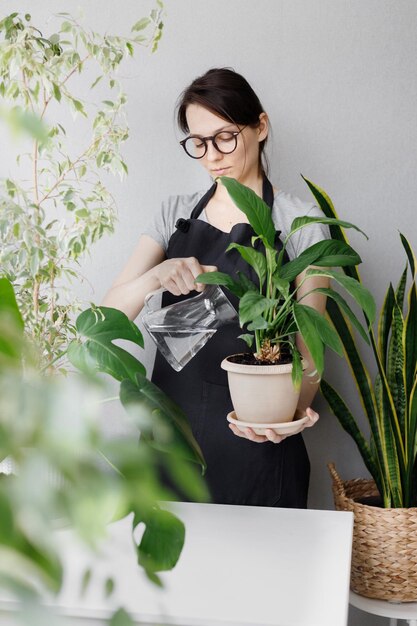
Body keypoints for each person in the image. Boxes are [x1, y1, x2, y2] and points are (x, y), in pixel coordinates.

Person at [102, 67, 330, 508]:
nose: (212, 156)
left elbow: (310, 353)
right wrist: (154, 277)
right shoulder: (175, 214)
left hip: (255, 442)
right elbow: (107, 317)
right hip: (171, 437)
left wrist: (285, 417)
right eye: (199, 142)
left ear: (260, 127)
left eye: (225, 137)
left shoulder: (298, 224)